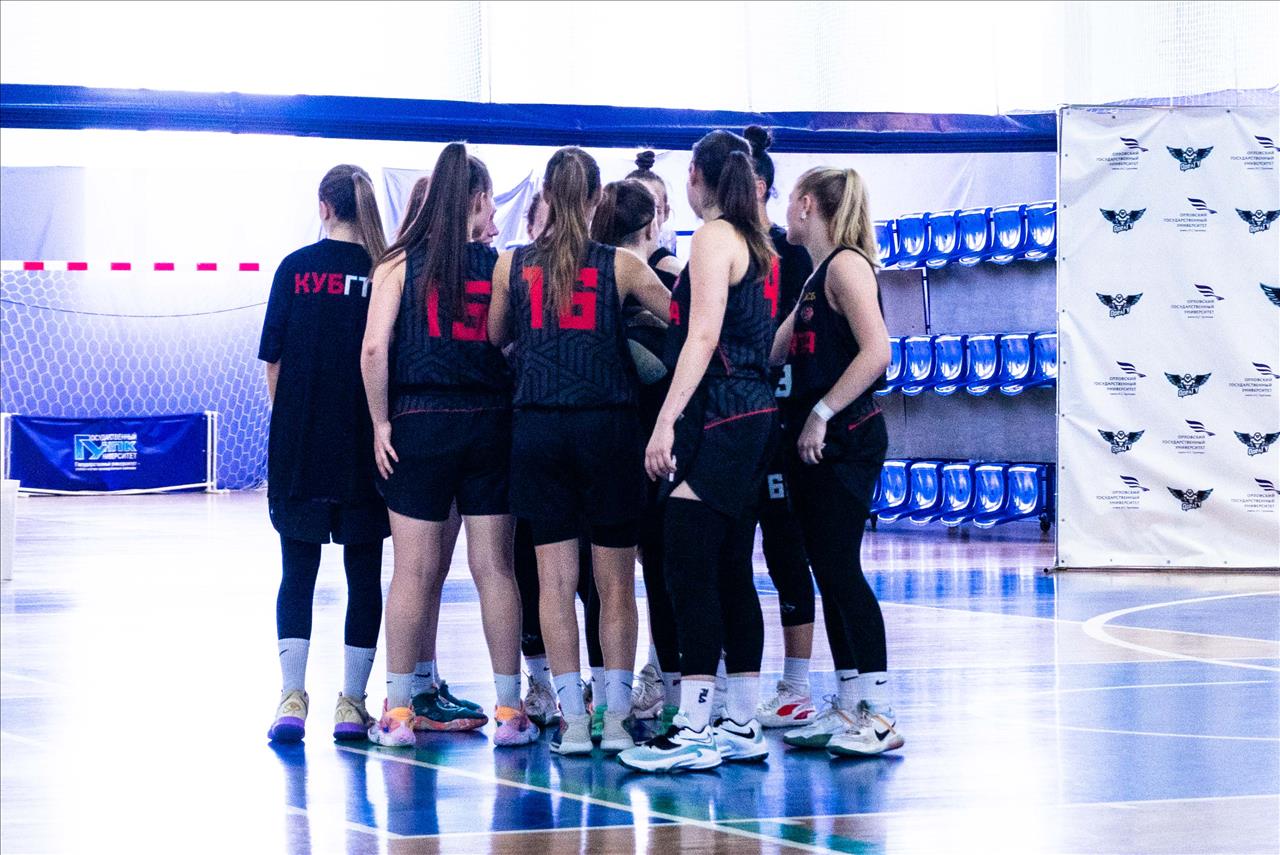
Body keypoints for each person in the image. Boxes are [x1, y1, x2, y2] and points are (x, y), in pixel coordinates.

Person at [488, 146, 672, 756]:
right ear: (596, 198)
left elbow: (495, 335)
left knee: (554, 583)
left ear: (545, 196)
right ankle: (615, 719)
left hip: (538, 431)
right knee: (615, 584)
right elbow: (684, 319)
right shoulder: (621, 264)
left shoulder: (511, 264)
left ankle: (571, 721)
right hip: (608, 430)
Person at [361, 143, 534, 748]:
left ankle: (398, 714)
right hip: (489, 423)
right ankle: (510, 711)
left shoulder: (397, 263)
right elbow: (512, 343)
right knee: (495, 569)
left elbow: (375, 348)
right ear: (481, 200)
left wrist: (380, 424)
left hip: (420, 421)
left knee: (412, 572)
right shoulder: (502, 266)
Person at [618, 130, 779, 773]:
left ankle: (693, 725)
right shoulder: (757, 241)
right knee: (731, 565)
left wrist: (665, 421)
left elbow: (703, 335)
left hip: (722, 411)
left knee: (687, 559)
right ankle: (740, 720)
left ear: (694, 176)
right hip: (753, 409)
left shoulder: (714, 236)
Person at [770, 167, 903, 758]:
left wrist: (821, 412)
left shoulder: (847, 265)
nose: (783, 212)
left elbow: (878, 351)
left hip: (847, 439)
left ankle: (879, 712)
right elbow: (778, 348)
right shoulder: (816, 274)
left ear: (806, 205)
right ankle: (850, 702)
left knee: (842, 569)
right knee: (827, 568)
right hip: (819, 443)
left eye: (788, 202)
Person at [260, 164, 390, 743]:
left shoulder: (294, 268)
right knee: (364, 574)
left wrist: (292, 422)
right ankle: (351, 704)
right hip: (367, 444)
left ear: (324, 207)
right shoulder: (385, 271)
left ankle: (291, 699)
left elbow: (274, 362)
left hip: (301, 445)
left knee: (298, 572)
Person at [589, 179, 682, 727]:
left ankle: (628, 690)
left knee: (624, 575)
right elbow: (697, 339)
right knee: (651, 570)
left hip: (627, 439)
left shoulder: (652, 274)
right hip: (647, 439)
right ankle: (668, 686)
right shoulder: (635, 275)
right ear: (652, 224)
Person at [742, 125, 820, 729]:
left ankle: (797, 686)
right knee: (722, 553)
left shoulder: (794, 256)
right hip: (732, 420)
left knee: (786, 548)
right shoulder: (716, 247)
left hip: (784, 419)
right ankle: (720, 688)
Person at [627, 151, 683, 283]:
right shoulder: (605, 257)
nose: (642, 217)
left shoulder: (671, 269)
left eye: (653, 209)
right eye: (633, 206)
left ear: (666, 212)